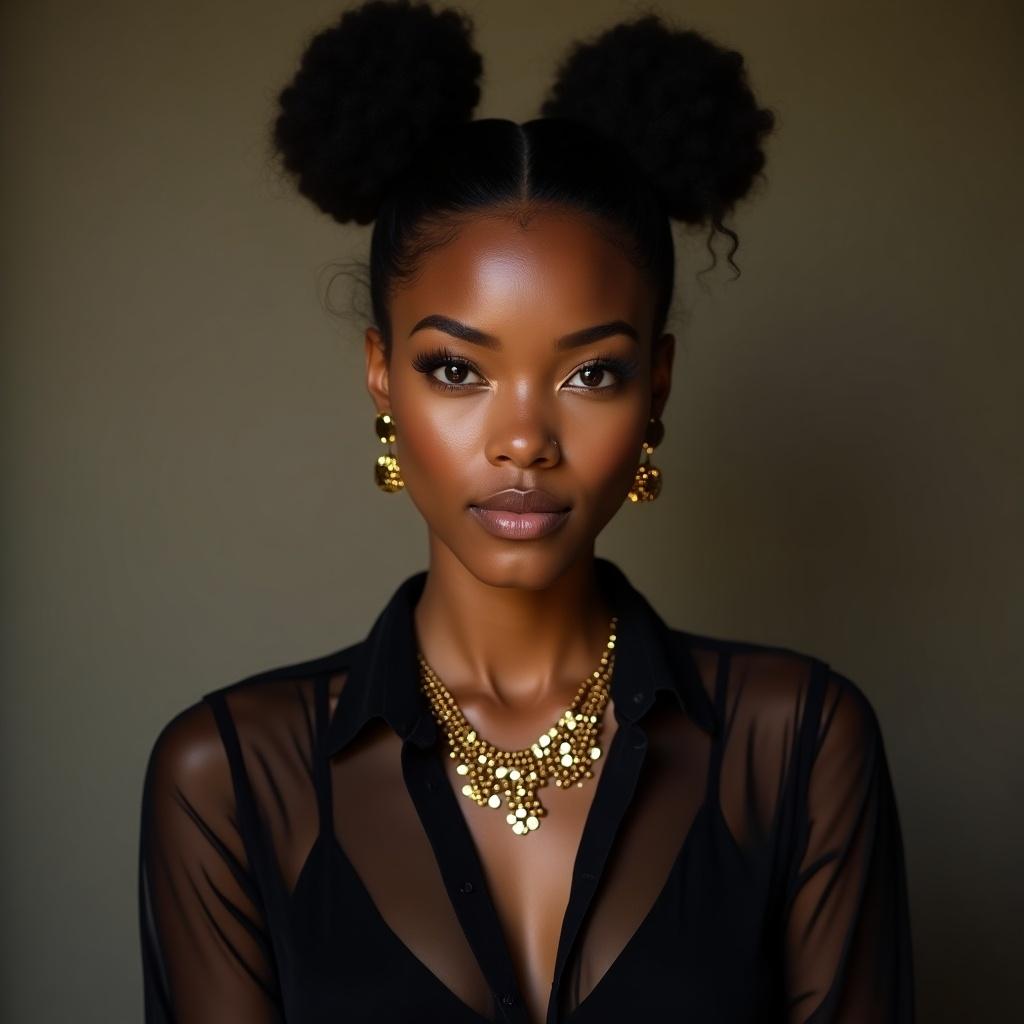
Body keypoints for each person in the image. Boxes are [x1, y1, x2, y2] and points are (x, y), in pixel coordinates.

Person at [137, 2, 915, 1021]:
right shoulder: (234, 780)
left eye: (591, 372)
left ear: (658, 386)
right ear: (380, 374)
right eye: (456, 369)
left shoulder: (798, 745)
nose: (522, 440)